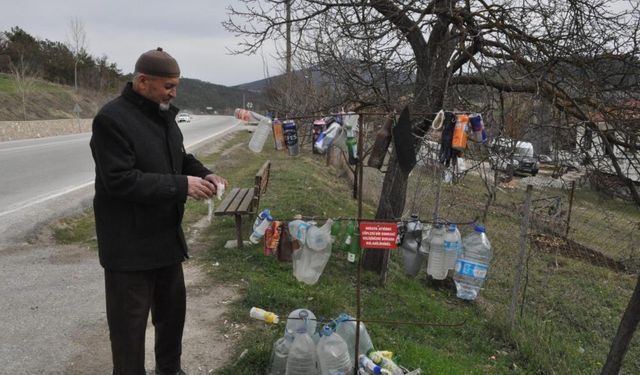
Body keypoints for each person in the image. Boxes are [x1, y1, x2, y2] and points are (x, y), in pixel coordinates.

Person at [90, 47, 227, 375]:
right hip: (128, 248)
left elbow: (179, 157)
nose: (173, 92)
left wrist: (204, 172)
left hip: (165, 242)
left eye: (176, 85)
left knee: (171, 319)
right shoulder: (111, 120)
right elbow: (119, 181)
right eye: (168, 86)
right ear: (142, 81)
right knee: (129, 333)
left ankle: (170, 371)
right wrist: (182, 186)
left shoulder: (164, 116)